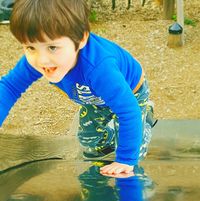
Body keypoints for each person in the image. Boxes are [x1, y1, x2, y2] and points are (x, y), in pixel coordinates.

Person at [0, 0, 157, 175]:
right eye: (30, 47)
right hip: (94, 99)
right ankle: (110, 138)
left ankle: (145, 121)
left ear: (81, 38)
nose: (42, 60)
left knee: (133, 151)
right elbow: (9, 87)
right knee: (88, 139)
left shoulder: (99, 68)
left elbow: (128, 110)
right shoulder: (37, 60)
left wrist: (126, 159)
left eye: (52, 47)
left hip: (131, 95)